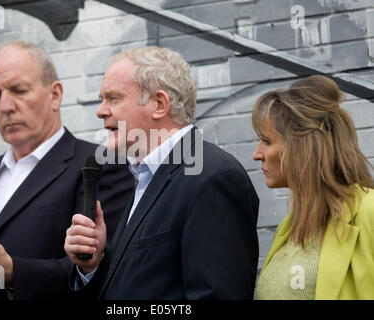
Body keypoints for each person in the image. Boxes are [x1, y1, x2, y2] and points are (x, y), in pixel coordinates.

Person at [0, 41, 134, 300]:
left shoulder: (101, 165)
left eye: (19, 90)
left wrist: (10, 270)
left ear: (55, 94)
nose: (5, 106)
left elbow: (107, 272)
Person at [64, 46, 260, 299]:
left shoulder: (212, 178)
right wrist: (92, 265)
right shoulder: (145, 178)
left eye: (113, 98)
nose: (100, 111)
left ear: (159, 104)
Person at [253, 75, 374, 300]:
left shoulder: (369, 212)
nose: (256, 154)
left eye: (267, 141)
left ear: (300, 146)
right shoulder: (287, 229)